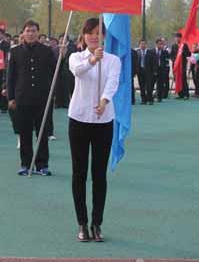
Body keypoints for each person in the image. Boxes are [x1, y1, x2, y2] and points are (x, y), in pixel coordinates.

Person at [68, 18, 121, 243]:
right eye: (90, 32)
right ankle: (82, 223)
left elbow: (113, 83)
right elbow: (78, 71)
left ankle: (96, 223)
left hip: (103, 120)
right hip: (79, 119)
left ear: (104, 37)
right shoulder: (75, 57)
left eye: (98, 32)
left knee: (99, 174)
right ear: (84, 35)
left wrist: (104, 100)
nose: (94, 36)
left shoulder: (113, 60)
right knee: (79, 173)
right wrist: (92, 59)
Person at [6, 20, 57, 176]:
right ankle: (26, 164)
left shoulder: (47, 51)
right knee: (25, 133)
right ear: (23, 33)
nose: (31, 33)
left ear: (38, 33)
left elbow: (55, 73)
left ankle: (42, 165)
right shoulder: (15, 51)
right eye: (28, 31)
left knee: (42, 133)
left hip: (42, 98)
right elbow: (11, 76)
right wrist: (11, 97)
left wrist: (62, 57)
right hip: (22, 98)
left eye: (33, 30)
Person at [170, 32, 191, 99]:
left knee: (183, 79)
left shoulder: (184, 45)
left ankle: (186, 94)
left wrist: (183, 51)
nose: (177, 39)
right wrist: (175, 59)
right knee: (176, 79)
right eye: (176, 37)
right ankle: (180, 94)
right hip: (176, 66)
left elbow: (188, 54)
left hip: (182, 65)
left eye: (178, 37)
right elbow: (171, 55)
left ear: (181, 38)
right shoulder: (173, 46)